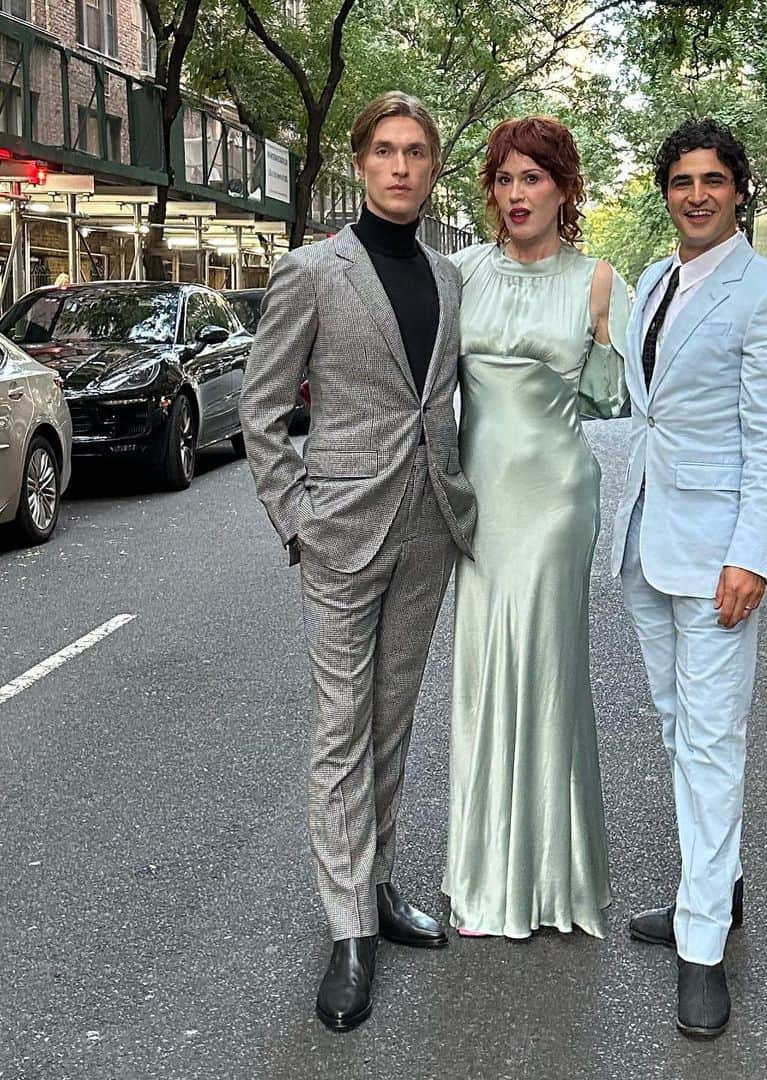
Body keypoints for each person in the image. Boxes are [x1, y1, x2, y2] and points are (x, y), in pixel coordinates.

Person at [239, 91, 476, 1032]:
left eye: (417, 152)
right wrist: (295, 518)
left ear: (432, 168)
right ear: (360, 163)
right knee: (339, 728)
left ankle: (374, 886)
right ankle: (348, 932)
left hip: (426, 529)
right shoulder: (312, 271)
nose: (402, 167)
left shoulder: (450, 276)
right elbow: (262, 410)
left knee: (389, 725)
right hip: (338, 528)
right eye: (385, 151)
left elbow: (446, 405)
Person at [610, 119, 767, 1037]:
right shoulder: (655, 280)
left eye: (714, 180)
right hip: (649, 540)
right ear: (668, 191)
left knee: (711, 742)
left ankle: (702, 948)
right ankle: (715, 888)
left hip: (719, 556)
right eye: (682, 181)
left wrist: (752, 555)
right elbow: (642, 409)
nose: (697, 194)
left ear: (739, 191)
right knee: (674, 726)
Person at [441, 116, 630, 939]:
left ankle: (554, 877)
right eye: (505, 179)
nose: (517, 194)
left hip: (555, 499)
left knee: (547, 672)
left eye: (534, 178)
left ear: (564, 188)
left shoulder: (597, 280)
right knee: (484, 672)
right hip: (479, 501)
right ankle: (486, 876)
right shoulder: (459, 273)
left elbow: (624, 396)